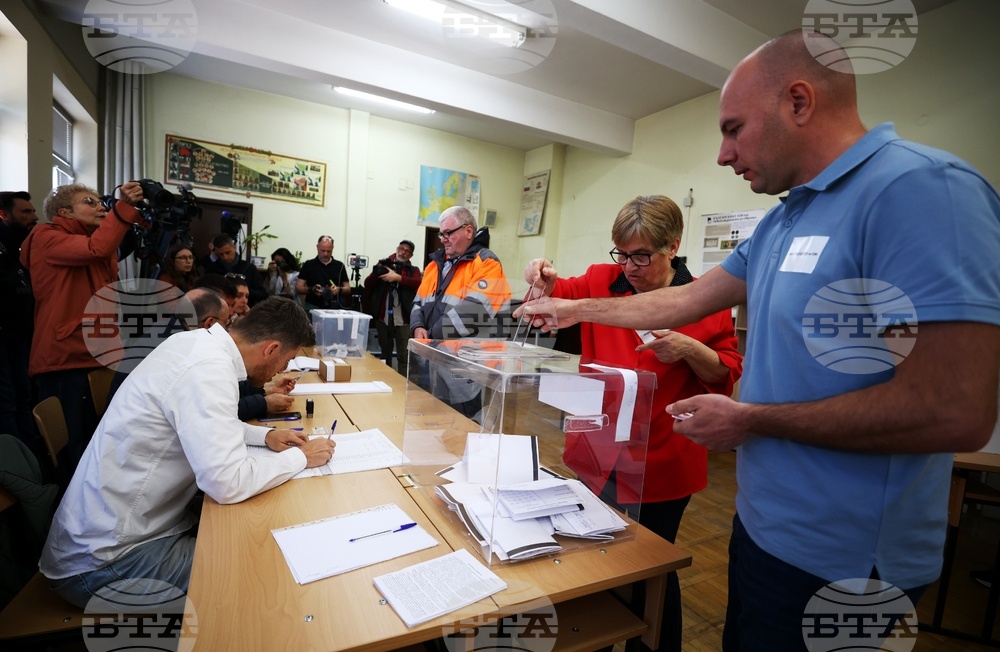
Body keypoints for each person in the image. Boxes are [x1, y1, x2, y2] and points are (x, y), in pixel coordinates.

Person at [517, 30, 1000, 651]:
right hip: (761, 530)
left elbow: (954, 411)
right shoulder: (785, 217)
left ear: (799, 102)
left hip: (844, 561)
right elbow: (688, 298)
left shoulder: (924, 191)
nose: (722, 155)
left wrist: (751, 420)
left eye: (733, 128)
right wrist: (568, 305)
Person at [523, 195, 742, 652]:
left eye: (641, 255)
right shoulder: (602, 280)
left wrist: (689, 349)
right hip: (596, 452)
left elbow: (725, 375)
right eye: (621, 253)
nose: (629, 266)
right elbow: (558, 293)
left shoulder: (704, 300)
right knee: (592, 561)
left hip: (661, 459)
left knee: (650, 571)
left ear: (673, 246)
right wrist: (543, 278)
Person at [40, 297, 336, 608]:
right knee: (262, 570)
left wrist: (267, 436)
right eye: (286, 360)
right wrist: (302, 457)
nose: (283, 369)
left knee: (257, 535)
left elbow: (204, 425)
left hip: (124, 532)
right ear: (271, 349)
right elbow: (227, 483)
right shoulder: (209, 370)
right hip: (105, 563)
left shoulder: (196, 345)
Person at [20, 182, 150, 469]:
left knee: (100, 444)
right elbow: (97, 249)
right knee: (73, 451)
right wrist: (124, 206)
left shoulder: (95, 240)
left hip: (98, 353)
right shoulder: (45, 236)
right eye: (89, 202)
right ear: (64, 213)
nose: (100, 206)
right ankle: (68, 510)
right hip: (65, 358)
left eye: (99, 202)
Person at [411, 206, 511, 340]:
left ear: (468, 231)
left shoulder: (487, 264)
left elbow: (474, 313)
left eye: (448, 233)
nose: (442, 239)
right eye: (441, 234)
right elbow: (417, 302)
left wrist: (430, 336)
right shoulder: (433, 267)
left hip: (471, 357)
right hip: (434, 353)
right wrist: (417, 326)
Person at [0, 191, 38, 450]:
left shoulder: (21, 245)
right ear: (4, 214)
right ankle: (17, 468)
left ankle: (34, 456)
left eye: (33, 211)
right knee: (7, 402)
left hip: (20, 336)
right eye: (25, 212)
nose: (34, 217)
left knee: (24, 396)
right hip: (2, 339)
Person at [363, 239, 421, 376]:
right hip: (383, 318)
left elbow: (418, 283)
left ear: (411, 255)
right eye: (401, 249)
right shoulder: (384, 264)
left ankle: (401, 383)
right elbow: (368, 284)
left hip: (403, 318)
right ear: (397, 249)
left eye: (407, 251)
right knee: (385, 353)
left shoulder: (413, 270)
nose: (403, 252)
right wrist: (379, 271)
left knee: (404, 355)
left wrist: (398, 278)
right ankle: (385, 378)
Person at [200, 234, 267, 306]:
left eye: (228, 252)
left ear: (234, 247)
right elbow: (205, 294)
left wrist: (244, 292)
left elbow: (262, 294)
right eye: (220, 254)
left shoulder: (249, 268)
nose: (225, 257)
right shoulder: (211, 270)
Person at [296, 235, 350, 311]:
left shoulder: (339, 266)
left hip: (334, 307)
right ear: (317, 247)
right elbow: (298, 287)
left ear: (333, 248)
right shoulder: (309, 265)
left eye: (329, 251)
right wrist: (312, 289)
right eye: (322, 250)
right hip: (313, 306)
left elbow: (347, 288)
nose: (325, 254)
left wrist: (339, 289)